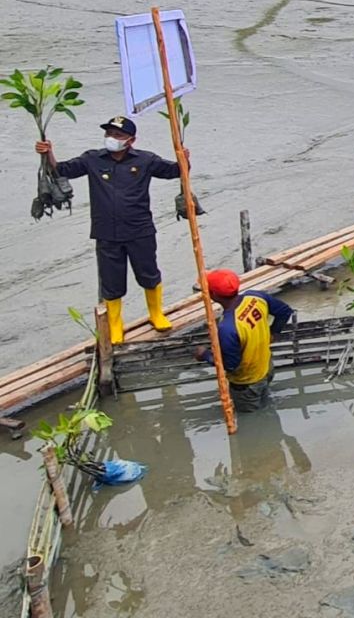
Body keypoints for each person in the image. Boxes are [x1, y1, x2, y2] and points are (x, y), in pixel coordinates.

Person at [34, 115, 185, 344]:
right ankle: (115, 324)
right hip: (106, 233)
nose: (111, 138)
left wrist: (184, 157)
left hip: (140, 230)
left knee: (149, 273)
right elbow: (62, 170)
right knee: (111, 281)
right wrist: (48, 153)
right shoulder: (92, 159)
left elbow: (176, 171)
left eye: (117, 135)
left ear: (131, 140)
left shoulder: (145, 160)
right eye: (108, 134)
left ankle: (156, 314)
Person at [193, 269, 294, 413]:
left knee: (251, 417)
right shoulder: (256, 297)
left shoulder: (227, 328)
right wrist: (273, 333)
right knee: (265, 404)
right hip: (266, 367)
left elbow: (230, 365)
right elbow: (284, 311)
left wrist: (205, 355)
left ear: (213, 296)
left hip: (247, 382)